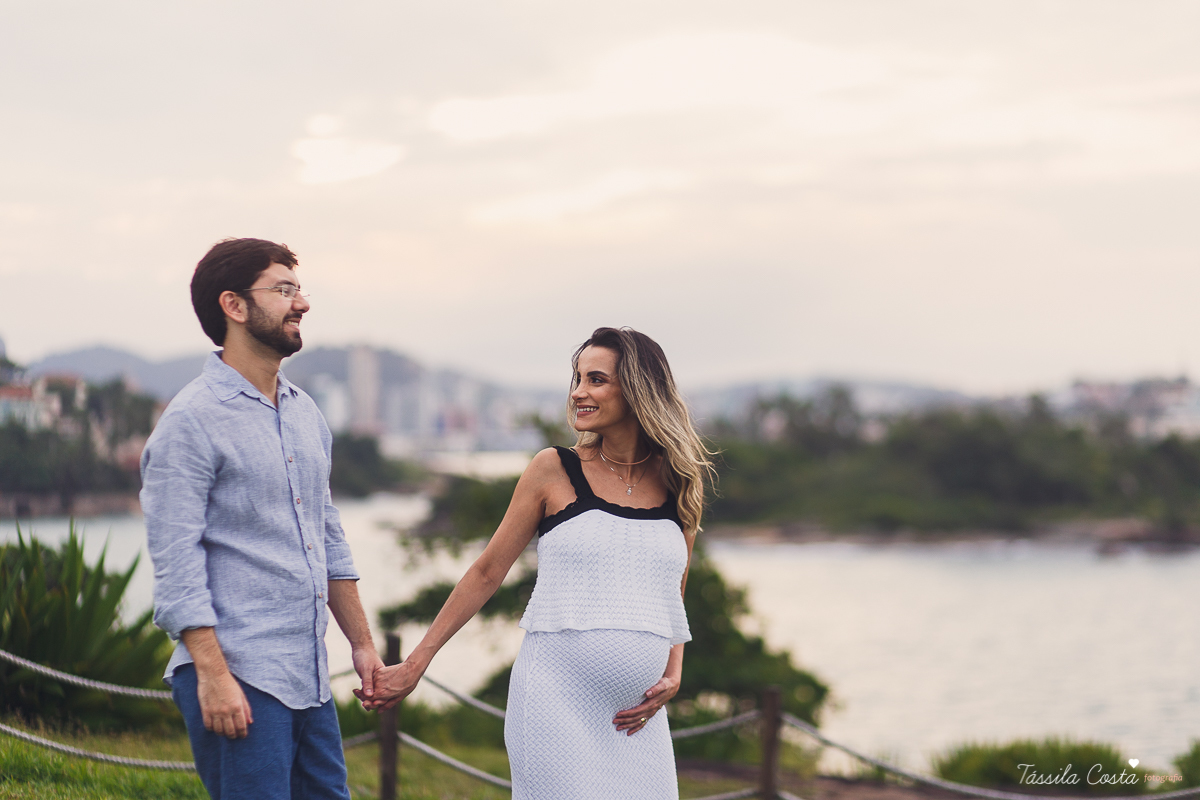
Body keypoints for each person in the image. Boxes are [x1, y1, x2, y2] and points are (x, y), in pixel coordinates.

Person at [365, 326, 714, 799]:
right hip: (555, 702)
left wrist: (674, 669)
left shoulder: (678, 481)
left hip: (639, 718)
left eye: (596, 380)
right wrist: (415, 663)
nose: (578, 392)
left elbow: (673, 588)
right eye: (577, 379)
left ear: (637, 389)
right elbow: (487, 571)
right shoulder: (553, 469)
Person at [142, 238, 383, 800]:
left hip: (309, 678)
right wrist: (213, 674)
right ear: (234, 305)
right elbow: (176, 564)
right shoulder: (191, 421)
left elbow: (327, 536)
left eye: (299, 289)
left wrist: (362, 645)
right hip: (239, 675)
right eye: (283, 289)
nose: (302, 303)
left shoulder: (305, 413)